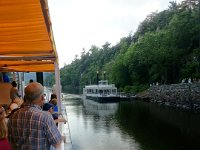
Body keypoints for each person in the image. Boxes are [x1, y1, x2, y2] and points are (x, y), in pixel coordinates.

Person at [8, 82, 63, 149]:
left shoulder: (13, 116)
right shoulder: (45, 117)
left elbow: (11, 143)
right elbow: (57, 143)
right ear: (42, 97)